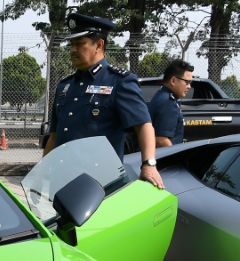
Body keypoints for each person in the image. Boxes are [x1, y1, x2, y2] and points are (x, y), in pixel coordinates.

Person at [45, 13, 164, 189]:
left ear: (99, 45)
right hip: (62, 182)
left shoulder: (120, 81)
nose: (73, 50)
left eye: (80, 44)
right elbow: (55, 136)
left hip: (100, 184)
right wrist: (40, 176)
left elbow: (144, 125)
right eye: (72, 44)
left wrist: (149, 164)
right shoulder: (65, 86)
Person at [149, 59, 193, 148]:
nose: (189, 86)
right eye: (187, 82)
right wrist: (177, 155)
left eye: (190, 83)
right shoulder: (168, 102)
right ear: (173, 80)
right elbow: (161, 140)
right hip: (165, 156)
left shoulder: (162, 96)